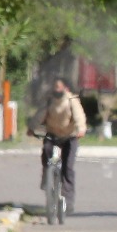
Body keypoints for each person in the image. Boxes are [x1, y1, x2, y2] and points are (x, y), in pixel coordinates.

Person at [32, 77, 87, 214]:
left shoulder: (71, 100)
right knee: (46, 154)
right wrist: (32, 127)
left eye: (59, 87)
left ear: (65, 88)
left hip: (70, 136)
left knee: (68, 168)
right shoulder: (49, 100)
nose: (57, 90)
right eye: (55, 87)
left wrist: (81, 129)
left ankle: (68, 201)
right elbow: (40, 115)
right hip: (52, 134)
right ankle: (47, 178)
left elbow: (79, 116)